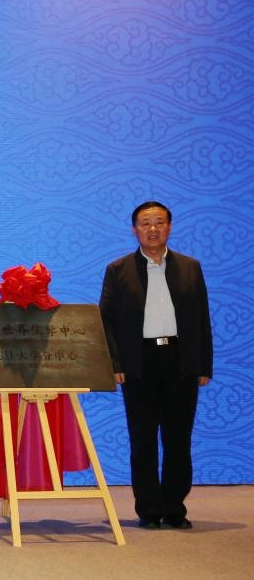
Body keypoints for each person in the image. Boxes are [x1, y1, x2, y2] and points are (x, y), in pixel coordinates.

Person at [99, 201, 212, 530]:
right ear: (134, 230)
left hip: (180, 360)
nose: (153, 229)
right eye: (145, 223)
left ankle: (175, 508)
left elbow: (202, 318)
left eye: (159, 222)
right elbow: (106, 321)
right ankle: (148, 509)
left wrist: (203, 364)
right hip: (139, 362)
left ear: (169, 228)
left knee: (179, 438)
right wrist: (115, 363)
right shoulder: (118, 269)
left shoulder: (190, 267)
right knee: (143, 438)